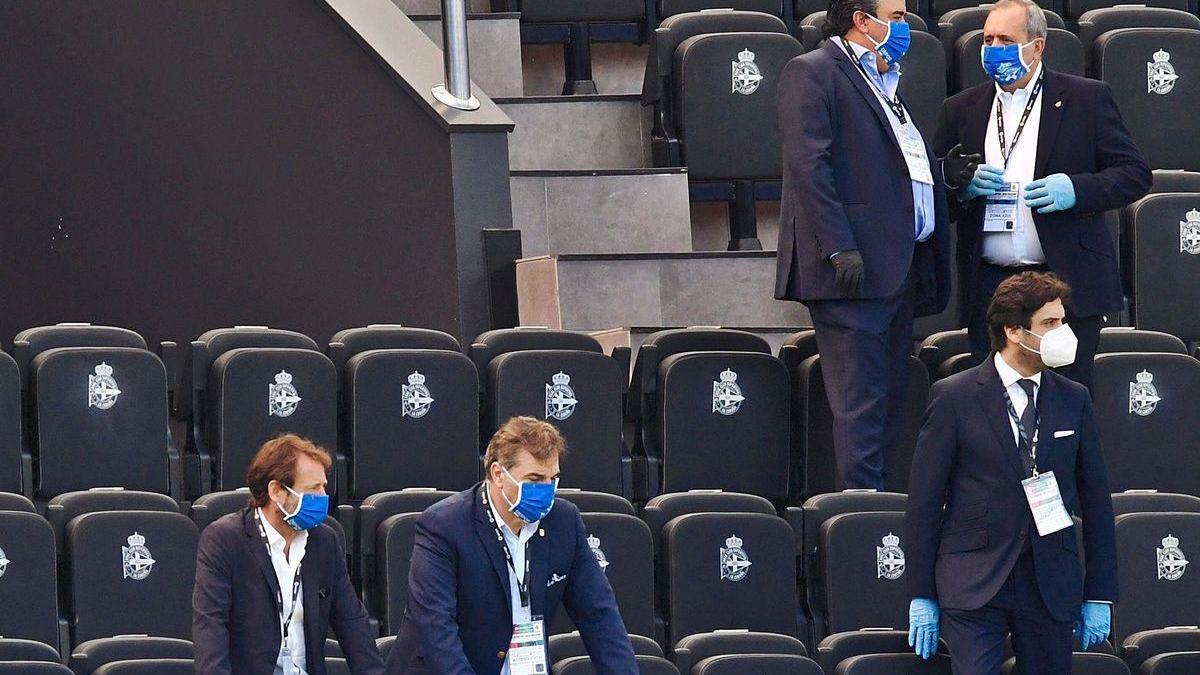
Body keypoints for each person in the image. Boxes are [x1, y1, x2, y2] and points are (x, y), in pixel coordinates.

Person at [774, 0, 967, 489]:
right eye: (897, 16)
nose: (905, 26)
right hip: (851, 271)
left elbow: (889, 173)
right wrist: (839, 246)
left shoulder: (887, 83)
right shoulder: (813, 72)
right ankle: (861, 517)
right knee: (860, 405)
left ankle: (880, 508)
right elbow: (808, 166)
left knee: (889, 402)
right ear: (863, 20)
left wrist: (943, 177)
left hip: (895, 269)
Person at [905, 272, 1118, 675]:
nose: (1063, 332)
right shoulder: (954, 396)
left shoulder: (1074, 398)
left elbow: (1096, 499)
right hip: (974, 580)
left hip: (1049, 582)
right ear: (1014, 331)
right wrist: (921, 592)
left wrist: (1100, 593)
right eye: (1050, 323)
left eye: (1062, 321)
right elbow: (925, 502)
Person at [933, 0, 1151, 390]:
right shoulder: (960, 109)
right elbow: (936, 195)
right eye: (988, 39)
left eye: (1006, 39)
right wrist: (957, 186)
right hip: (992, 288)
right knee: (994, 409)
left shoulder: (1087, 99)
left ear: (1037, 47)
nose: (993, 48)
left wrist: (1076, 189)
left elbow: (1134, 175)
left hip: (1063, 283)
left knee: (1062, 404)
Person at [387, 416, 636, 675]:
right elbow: (436, 628)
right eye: (535, 478)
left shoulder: (564, 521)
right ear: (498, 474)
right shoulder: (444, 526)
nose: (547, 490)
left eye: (553, 478)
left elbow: (600, 616)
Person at [193, 434, 385, 675]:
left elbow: (352, 623)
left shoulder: (324, 541)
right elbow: (211, 628)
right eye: (313, 488)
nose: (323, 497)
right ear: (276, 491)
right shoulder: (224, 540)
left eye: (324, 487)